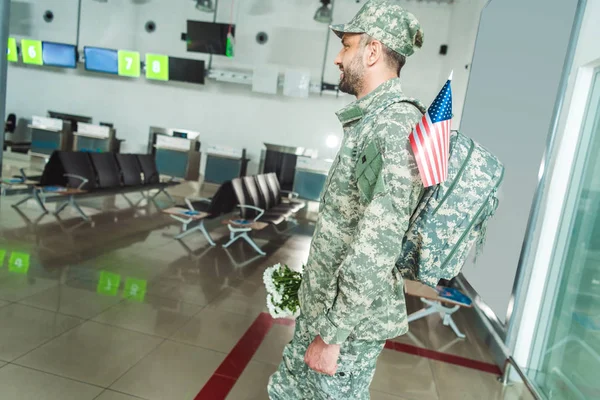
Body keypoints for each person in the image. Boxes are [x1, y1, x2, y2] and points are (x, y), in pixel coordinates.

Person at [268, 0, 427, 398]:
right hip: (323, 310)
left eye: (347, 45)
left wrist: (333, 335)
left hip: (345, 327)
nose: (338, 58)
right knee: (286, 392)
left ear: (372, 50)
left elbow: (378, 244)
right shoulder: (370, 121)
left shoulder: (392, 126)